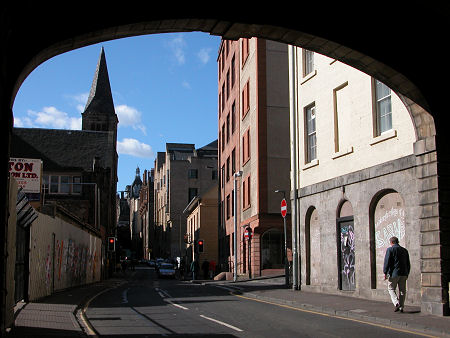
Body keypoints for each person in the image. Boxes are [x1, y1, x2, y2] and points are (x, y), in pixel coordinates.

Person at [383, 236, 410, 312]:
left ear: (391, 242)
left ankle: (397, 303)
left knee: (391, 288)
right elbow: (408, 263)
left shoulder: (390, 249)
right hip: (404, 273)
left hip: (394, 273)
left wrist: (385, 272)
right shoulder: (405, 250)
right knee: (402, 290)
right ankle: (401, 307)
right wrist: (407, 273)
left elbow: (387, 262)